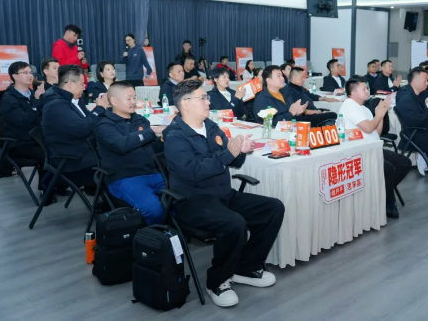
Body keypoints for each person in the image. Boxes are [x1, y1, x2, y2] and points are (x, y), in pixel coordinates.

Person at [163, 79, 285, 307]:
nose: (208, 102)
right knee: (234, 223)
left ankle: (245, 267)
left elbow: (232, 160)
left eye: (207, 97)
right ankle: (217, 281)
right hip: (193, 200)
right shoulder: (174, 136)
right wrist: (229, 154)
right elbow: (193, 171)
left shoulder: (211, 126)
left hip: (222, 194)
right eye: (202, 98)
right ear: (185, 103)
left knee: (273, 208)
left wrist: (241, 151)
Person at [95, 81, 166, 225]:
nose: (134, 102)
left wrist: (162, 141)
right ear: (114, 101)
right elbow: (121, 145)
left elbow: (152, 147)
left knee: (184, 196)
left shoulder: (140, 120)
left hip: (153, 172)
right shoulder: (104, 125)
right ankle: (155, 235)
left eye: (134, 98)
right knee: (154, 210)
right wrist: (151, 131)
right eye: (129, 98)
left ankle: (174, 232)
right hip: (125, 178)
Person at [339, 77, 411, 219]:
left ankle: (381, 192)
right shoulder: (349, 105)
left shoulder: (364, 108)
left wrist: (381, 115)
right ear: (353, 93)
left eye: (367, 88)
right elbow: (368, 128)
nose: (368, 91)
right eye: (364, 89)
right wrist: (378, 114)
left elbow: (376, 133)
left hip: (373, 148)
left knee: (404, 163)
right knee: (387, 168)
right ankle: (388, 202)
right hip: (357, 152)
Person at [42, 65, 109, 197]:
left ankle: (107, 199)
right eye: (82, 84)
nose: (84, 87)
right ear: (70, 84)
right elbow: (82, 129)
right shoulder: (56, 105)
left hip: (85, 150)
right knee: (118, 162)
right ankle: (109, 203)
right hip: (72, 159)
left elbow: (88, 122)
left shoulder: (73, 99)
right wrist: (99, 109)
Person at [0, 62, 47, 189]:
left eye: (31, 72)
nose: (30, 75)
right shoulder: (9, 99)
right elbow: (24, 120)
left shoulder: (33, 94)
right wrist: (37, 101)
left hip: (38, 140)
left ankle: (57, 185)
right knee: (47, 154)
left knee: (59, 148)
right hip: (19, 143)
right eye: (25, 73)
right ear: (15, 76)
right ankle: (46, 190)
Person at [255, 65, 333, 126]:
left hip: (295, 121)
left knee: (332, 116)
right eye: (278, 76)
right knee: (329, 117)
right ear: (269, 81)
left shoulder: (285, 92)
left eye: (282, 75)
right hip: (284, 128)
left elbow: (292, 111)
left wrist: (299, 111)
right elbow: (267, 122)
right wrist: (291, 114)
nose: (282, 78)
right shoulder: (262, 99)